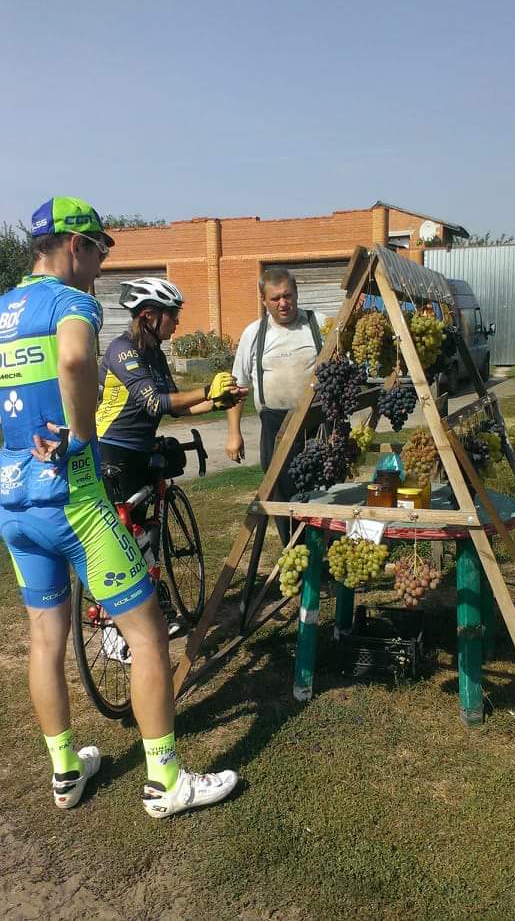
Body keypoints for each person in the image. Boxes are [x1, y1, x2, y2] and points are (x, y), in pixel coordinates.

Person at [0, 196, 238, 818]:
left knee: (45, 639)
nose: (101, 265)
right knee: (148, 633)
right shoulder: (71, 302)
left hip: (13, 502)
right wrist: (80, 433)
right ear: (74, 245)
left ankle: (64, 771)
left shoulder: (3, 309)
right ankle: (165, 781)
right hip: (72, 499)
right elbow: (76, 357)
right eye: (100, 251)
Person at [96, 276, 246, 519]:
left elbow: (175, 405)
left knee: (140, 526)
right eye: (173, 313)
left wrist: (217, 403)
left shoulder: (155, 354)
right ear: (148, 315)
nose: (177, 321)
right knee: (120, 529)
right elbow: (155, 403)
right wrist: (208, 390)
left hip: (141, 449)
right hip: (112, 449)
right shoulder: (122, 349)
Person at [225, 267, 326, 543]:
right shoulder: (254, 333)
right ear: (264, 300)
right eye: (275, 298)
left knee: (324, 492)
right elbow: (236, 386)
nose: (283, 303)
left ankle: (323, 554)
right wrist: (234, 433)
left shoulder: (318, 324)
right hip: (275, 426)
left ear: (296, 294)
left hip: (317, 425)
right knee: (282, 496)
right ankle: (293, 550)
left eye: (288, 295)